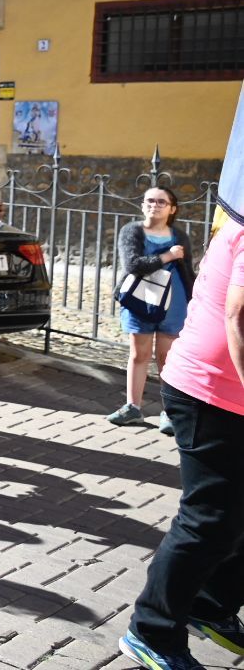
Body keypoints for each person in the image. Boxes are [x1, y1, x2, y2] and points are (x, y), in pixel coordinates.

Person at [118, 215, 244, 670]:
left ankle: (210, 604)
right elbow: (239, 316)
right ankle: (151, 631)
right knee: (209, 517)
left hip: (228, 392)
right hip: (211, 392)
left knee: (231, 515)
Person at [107, 187, 196, 431]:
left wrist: (194, 299)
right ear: (142, 204)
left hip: (173, 305)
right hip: (139, 302)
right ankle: (132, 407)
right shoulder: (132, 231)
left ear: (172, 208)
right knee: (139, 355)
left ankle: (168, 412)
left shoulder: (180, 237)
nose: (154, 205)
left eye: (161, 202)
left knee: (167, 358)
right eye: (149, 200)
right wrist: (167, 256)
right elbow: (133, 264)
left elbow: (188, 273)